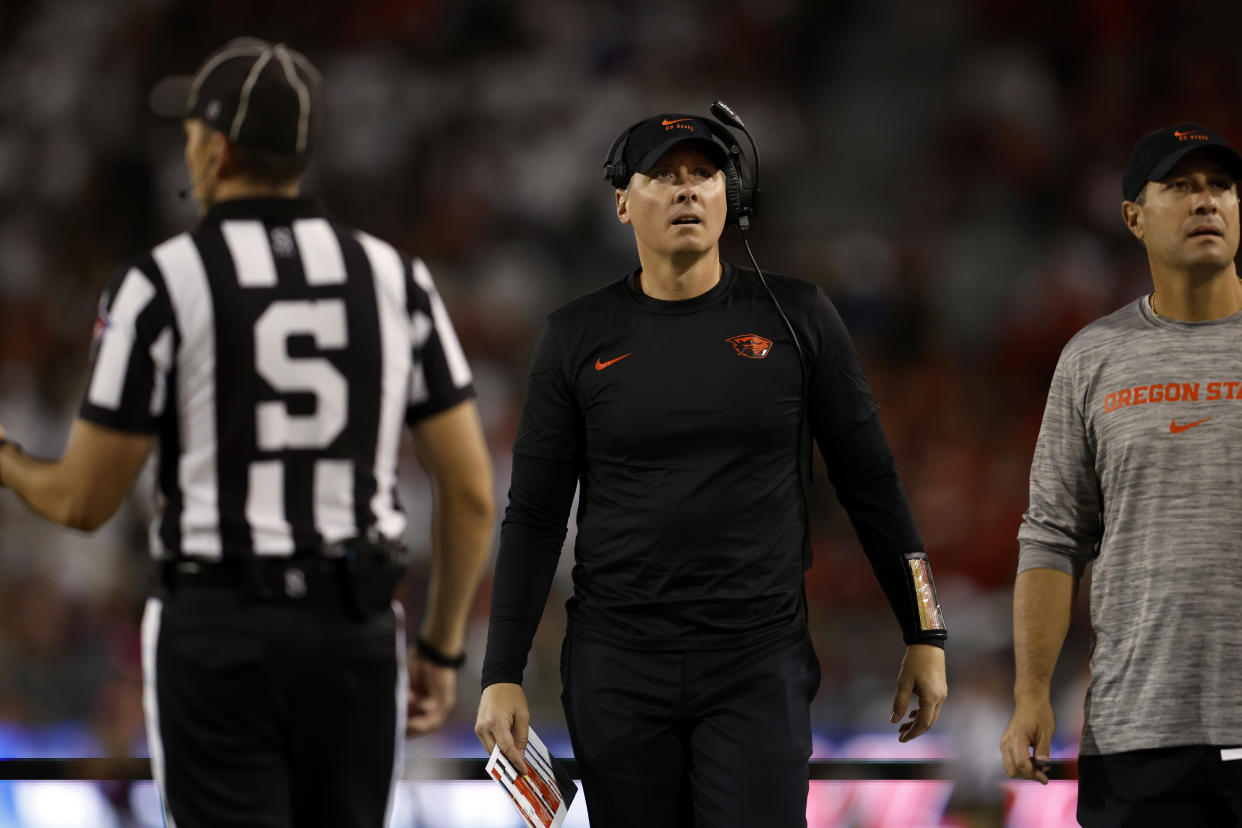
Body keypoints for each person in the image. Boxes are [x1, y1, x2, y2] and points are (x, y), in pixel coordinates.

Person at [0, 38, 494, 827]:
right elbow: (470, 492)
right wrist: (437, 652)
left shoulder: (160, 282)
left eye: (192, 133)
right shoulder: (396, 279)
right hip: (353, 629)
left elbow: (85, 501)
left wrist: (9, 462)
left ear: (217, 148)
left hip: (217, 626)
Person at [474, 110, 948, 827]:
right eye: (664, 175)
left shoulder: (801, 318)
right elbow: (535, 517)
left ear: (734, 199)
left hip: (757, 665)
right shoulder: (574, 337)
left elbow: (871, 483)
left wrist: (926, 630)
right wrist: (501, 671)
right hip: (617, 666)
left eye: (704, 175)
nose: (688, 190)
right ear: (623, 203)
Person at [1001, 123, 1242, 825]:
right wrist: (1031, 695)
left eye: (1222, 186)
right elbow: (1051, 537)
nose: (1207, 202)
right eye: (1182, 187)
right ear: (1134, 217)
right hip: (1136, 730)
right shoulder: (1092, 358)